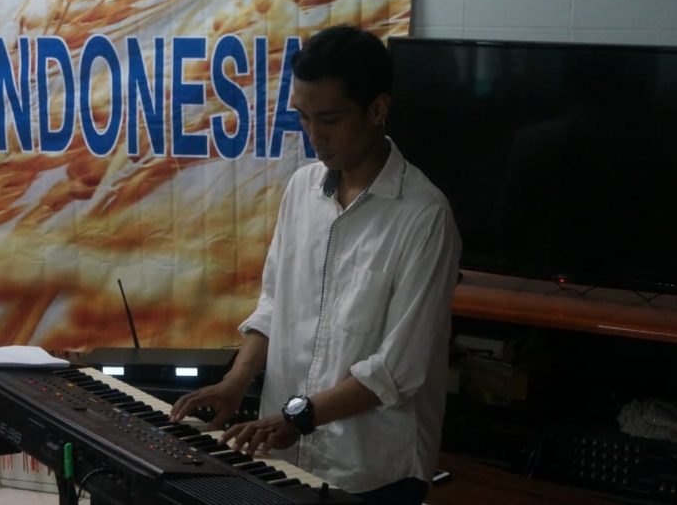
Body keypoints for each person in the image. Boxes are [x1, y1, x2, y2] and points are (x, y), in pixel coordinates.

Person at [170, 25, 461, 505]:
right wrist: (235, 383)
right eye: (303, 117)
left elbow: (397, 370)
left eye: (328, 120)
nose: (314, 137)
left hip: (371, 471)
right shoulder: (302, 190)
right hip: (286, 453)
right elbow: (273, 305)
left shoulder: (424, 216)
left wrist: (298, 417)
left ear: (377, 110)